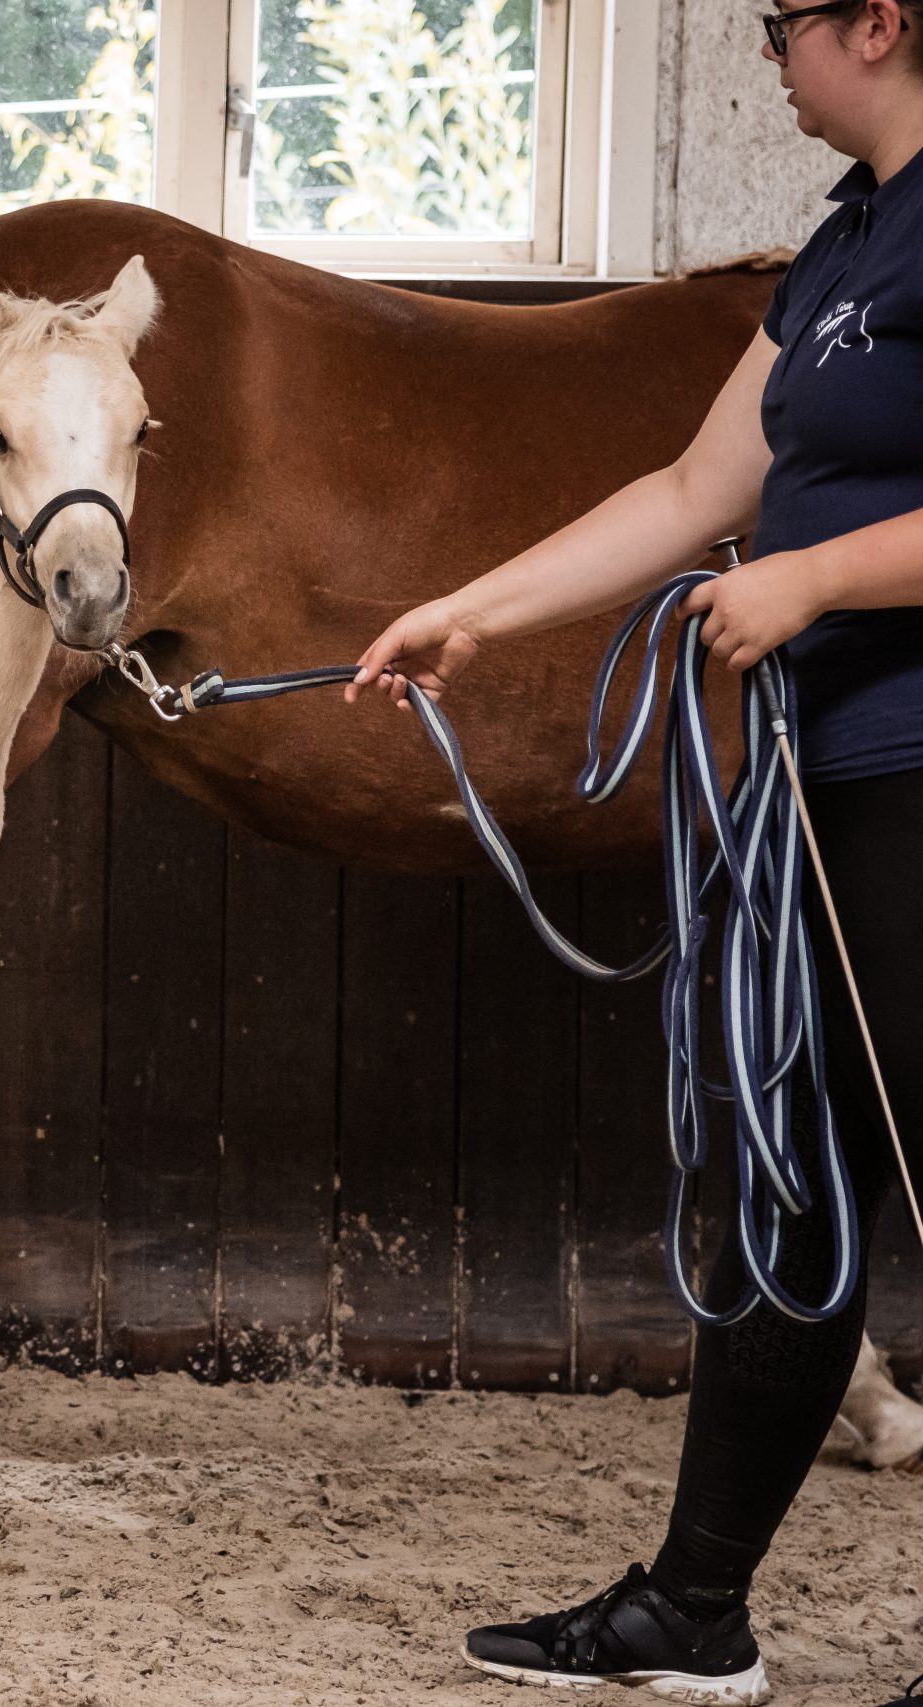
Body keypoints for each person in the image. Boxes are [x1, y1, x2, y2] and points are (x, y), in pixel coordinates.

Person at [348, 0, 923, 1697]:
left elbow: (778, 544)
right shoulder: (849, 242)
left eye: (781, 24)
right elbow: (690, 490)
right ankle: (696, 1608)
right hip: (826, 778)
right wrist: (472, 611)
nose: (770, 55)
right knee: (796, 1195)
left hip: (918, 766)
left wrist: (815, 579)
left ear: (878, 22)